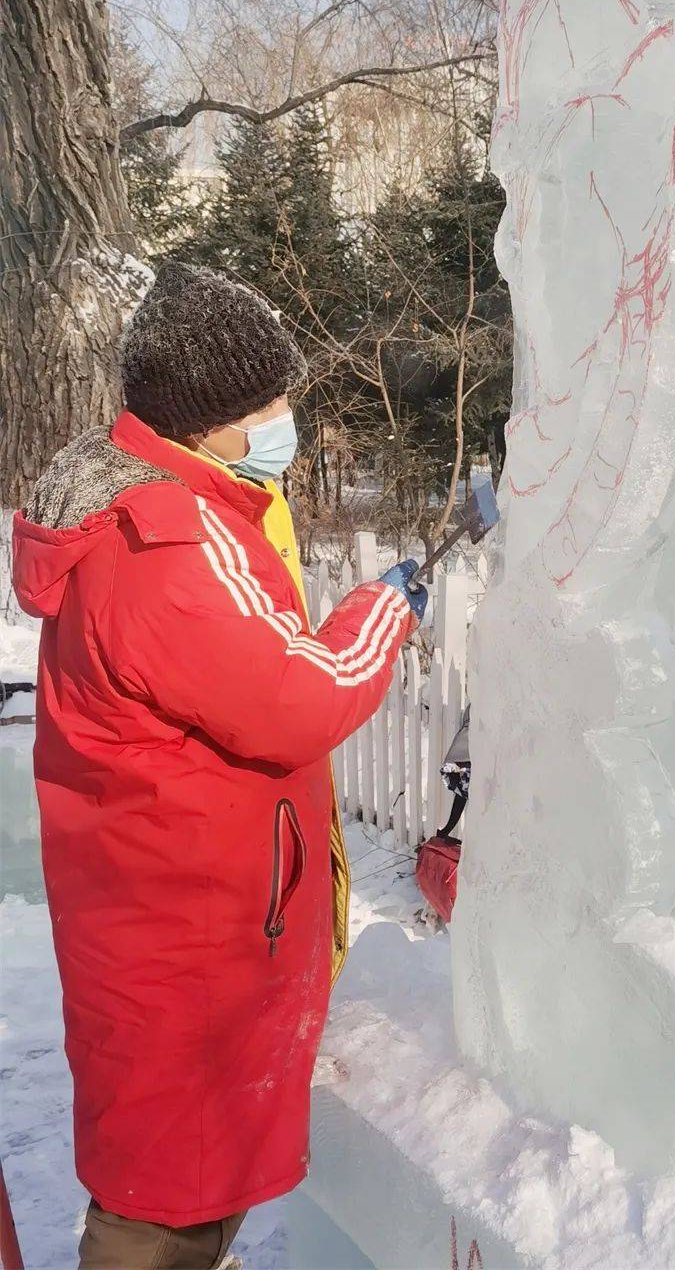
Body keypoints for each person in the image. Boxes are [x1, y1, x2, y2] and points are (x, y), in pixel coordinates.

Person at [11, 261, 427, 1269]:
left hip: (173, 908)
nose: (286, 418)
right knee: (164, 1202)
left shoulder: (172, 504)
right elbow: (297, 700)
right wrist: (385, 610)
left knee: (183, 1177)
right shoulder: (164, 547)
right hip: (178, 934)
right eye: (272, 402)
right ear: (210, 420)